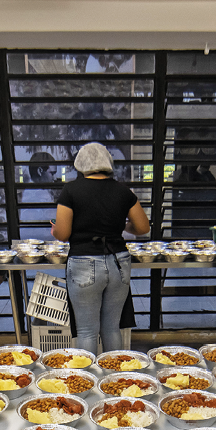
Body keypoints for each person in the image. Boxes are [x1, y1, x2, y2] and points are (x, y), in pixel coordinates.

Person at [51, 142, 150, 353]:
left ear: (80, 164)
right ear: (108, 162)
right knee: (112, 328)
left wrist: (55, 230)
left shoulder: (71, 191)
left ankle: (88, 384)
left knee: (87, 331)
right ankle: (113, 380)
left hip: (83, 262)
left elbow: (63, 233)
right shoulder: (123, 191)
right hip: (118, 261)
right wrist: (119, 226)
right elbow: (142, 227)